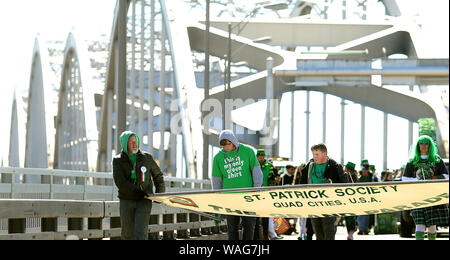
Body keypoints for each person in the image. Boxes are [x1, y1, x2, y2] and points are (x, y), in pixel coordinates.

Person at [113, 131, 165, 240]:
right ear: (124, 144)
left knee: (141, 234)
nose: (134, 144)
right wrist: (135, 191)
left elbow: (158, 176)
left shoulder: (147, 158)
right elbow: (120, 182)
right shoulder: (117, 160)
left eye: (135, 141)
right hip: (126, 200)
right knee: (127, 234)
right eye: (131, 142)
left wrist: (159, 194)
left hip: (144, 200)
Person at [212, 130, 263, 240]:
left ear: (233, 141)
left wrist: (256, 190)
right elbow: (216, 180)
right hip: (230, 198)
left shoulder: (248, 151)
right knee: (232, 228)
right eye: (223, 144)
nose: (226, 146)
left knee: (249, 226)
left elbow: (256, 171)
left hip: (248, 197)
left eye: (227, 143)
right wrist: (217, 198)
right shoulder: (218, 157)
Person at [402, 135, 449, 240]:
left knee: (432, 226)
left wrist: (434, 177)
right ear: (418, 146)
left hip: (434, 196)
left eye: (426, 143)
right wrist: (418, 180)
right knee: (420, 225)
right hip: (417, 197)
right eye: (421, 143)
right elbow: (404, 178)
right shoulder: (412, 161)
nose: (423, 146)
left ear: (430, 145)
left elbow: (446, 176)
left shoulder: (437, 160)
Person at [300, 143, 347, 240]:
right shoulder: (309, 166)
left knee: (329, 231)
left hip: (330, 205)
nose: (314, 157)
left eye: (317, 154)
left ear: (324, 154)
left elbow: (343, 185)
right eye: (313, 154)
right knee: (318, 232)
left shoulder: (335, 166)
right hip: (313, 204)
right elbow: (302, 183)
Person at [254, 149, 281, 240]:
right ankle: (256, 237)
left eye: (262, 157)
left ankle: (266, 236)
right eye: (259, 157)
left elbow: (274, 178)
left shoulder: (269, 167)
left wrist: (275, 181)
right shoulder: (253, 165)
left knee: (265, 217)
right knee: (256, 218)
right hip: (255, 194)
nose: (261, 159)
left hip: (266, 194)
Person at [357, 159, 376, 235]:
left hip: (369, 198)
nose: (365, 170)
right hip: (360, 197)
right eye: (364, 168)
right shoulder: (359, 177)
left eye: (366, 168)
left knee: (367, 215)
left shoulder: (372, 177)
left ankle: (366, 229)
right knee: (361, 214)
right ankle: (361, 229)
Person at [343, 161, 358, 240]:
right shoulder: (345, 176)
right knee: (348, 218)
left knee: (351, 218)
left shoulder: (353, 178)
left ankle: (351, 233)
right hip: (346, 201)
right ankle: (350, 233)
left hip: (352, 201)